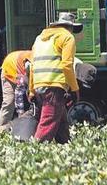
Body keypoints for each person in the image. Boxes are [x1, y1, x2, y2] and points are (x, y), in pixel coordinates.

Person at [29, 12, 83, 144]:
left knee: (60, 118)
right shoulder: (67, 37)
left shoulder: (39, 39)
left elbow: (32, 65)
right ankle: (35, 149)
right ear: (70, 27)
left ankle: (65, 143)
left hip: (39, 84)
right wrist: (75, 88)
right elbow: (67, 65)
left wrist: (31, 90)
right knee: (48, 121)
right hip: (54, 84)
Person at [0, 50, 32, 131]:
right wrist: (21, 115)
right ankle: (2, 128)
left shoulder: (38, 65)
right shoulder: (24, 69)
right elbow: (19, 94)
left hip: (19, 68)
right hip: (9, 70)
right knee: (9, 100)